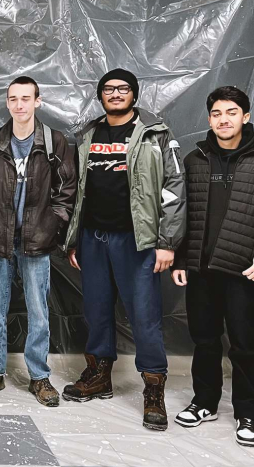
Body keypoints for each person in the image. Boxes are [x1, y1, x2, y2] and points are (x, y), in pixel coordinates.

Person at [172, 86, 254, 447]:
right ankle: (205, 402)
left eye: (231, 112)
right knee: (205, 340)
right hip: (200, 270)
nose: (223, 120)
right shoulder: (195, 161)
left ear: (245, 116)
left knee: (243, 345)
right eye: (216, 114)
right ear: (209, 118)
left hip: (243, 272)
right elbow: (183, 214)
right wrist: (180, 257)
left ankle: (247, 412)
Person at [62, 68, 186, 431]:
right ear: (100, 95)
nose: (115, 94)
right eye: (108, 89)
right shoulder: (87, 134)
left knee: (144, 315)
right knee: (96, 311)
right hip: (94, 239)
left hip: (138, 240)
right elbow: (77, 189)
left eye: (123, 89)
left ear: (134, 94)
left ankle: (153, 389)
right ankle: (99, 376)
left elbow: (175, 188)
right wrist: (74, 238)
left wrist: (167, 243)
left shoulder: (156, 134)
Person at [0, 76, 76, 405]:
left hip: (37, 241)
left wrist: (53, 224)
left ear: (37, 101)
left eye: (26, 98)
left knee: (39, 313)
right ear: (8, 103)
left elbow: (66, 192)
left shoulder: (54, 142)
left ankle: (40, 378)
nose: (20, 105)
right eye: (14, 99)